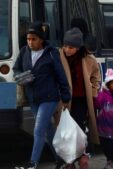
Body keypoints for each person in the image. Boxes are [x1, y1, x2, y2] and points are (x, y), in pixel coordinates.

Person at [13, 21, 71, 169]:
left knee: (38, 129)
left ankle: (32, 163)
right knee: (47, 130)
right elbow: (16, 68)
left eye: (34, 39)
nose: (30, 42)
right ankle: (60, 160)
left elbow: (60, 75)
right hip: (33, 98)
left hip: (50, 98)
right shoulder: (24, 51)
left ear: (41, 39)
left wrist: (65, 97)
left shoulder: (51, 53)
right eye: (28, 39)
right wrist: (21, 76)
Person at [58, 27, 101, 169]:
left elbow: (96, 77)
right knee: (66, 131)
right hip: (64, 100)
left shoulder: (89, 59)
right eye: (65, 46)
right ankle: (70, 161)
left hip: (82, 99)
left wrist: (94, 91)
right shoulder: (58, 57)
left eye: (70, 47)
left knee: (78, 129)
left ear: (78, 47)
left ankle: (80, 157)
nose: (67, 50)